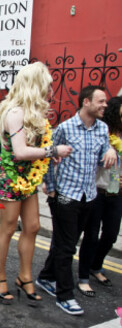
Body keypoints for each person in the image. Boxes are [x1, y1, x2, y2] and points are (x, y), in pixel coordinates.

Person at [0, 62, 72, 306]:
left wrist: (46, 152)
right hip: (10, 176)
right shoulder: (15, 113)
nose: (51, 91)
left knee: (33, 226)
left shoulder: (33, 115)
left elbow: (32, 150)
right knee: (8, 227)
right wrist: (51, 150)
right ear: (34, 86)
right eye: (47, 85)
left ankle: (24, 277)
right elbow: (20, 151)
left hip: (28, 178)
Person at [37, 85, 117, 315]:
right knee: (67, 246)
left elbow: (102, 159)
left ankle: (46, 277)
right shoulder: (65, 128)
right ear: (86, 102)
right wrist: (51, 188)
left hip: (88, 195)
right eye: (100, 101)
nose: (105, 105)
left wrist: (110, 150)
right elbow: (50, 156)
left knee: (65, 241)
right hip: (65, 194)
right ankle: (65, 295)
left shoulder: (102, 128)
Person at [77, 96, 122, 295]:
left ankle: (96, 264)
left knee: (111, 234)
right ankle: (84, 275)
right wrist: (109, 149)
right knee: (91, 235)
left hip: (117, 192)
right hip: (98, 189)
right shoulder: (102, 133)